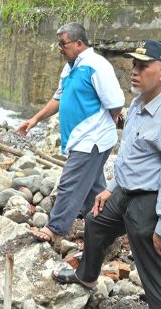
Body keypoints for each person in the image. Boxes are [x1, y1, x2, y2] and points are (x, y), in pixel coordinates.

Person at [51, 40, 161, 309]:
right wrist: (111, 188)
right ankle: (87, 275)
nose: (134, 71)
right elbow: (130, 155)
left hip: (152, 198)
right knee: (97, 221)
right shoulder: (139, 104)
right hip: (126, 190)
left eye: (143, 66)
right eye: (134, 64)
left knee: (158, 269)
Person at [16, 23, 124, 244]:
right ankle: (108, 231)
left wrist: (112, 120)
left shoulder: (97, 66)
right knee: (94, 190)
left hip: (92, 139)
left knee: (69, 184)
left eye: (63, 44)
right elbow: (59, 98)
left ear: (79, 43)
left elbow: (115, 103)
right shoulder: (70, 68)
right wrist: (35, 119)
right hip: (79, 139)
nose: (60, 48)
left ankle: (55, 230)